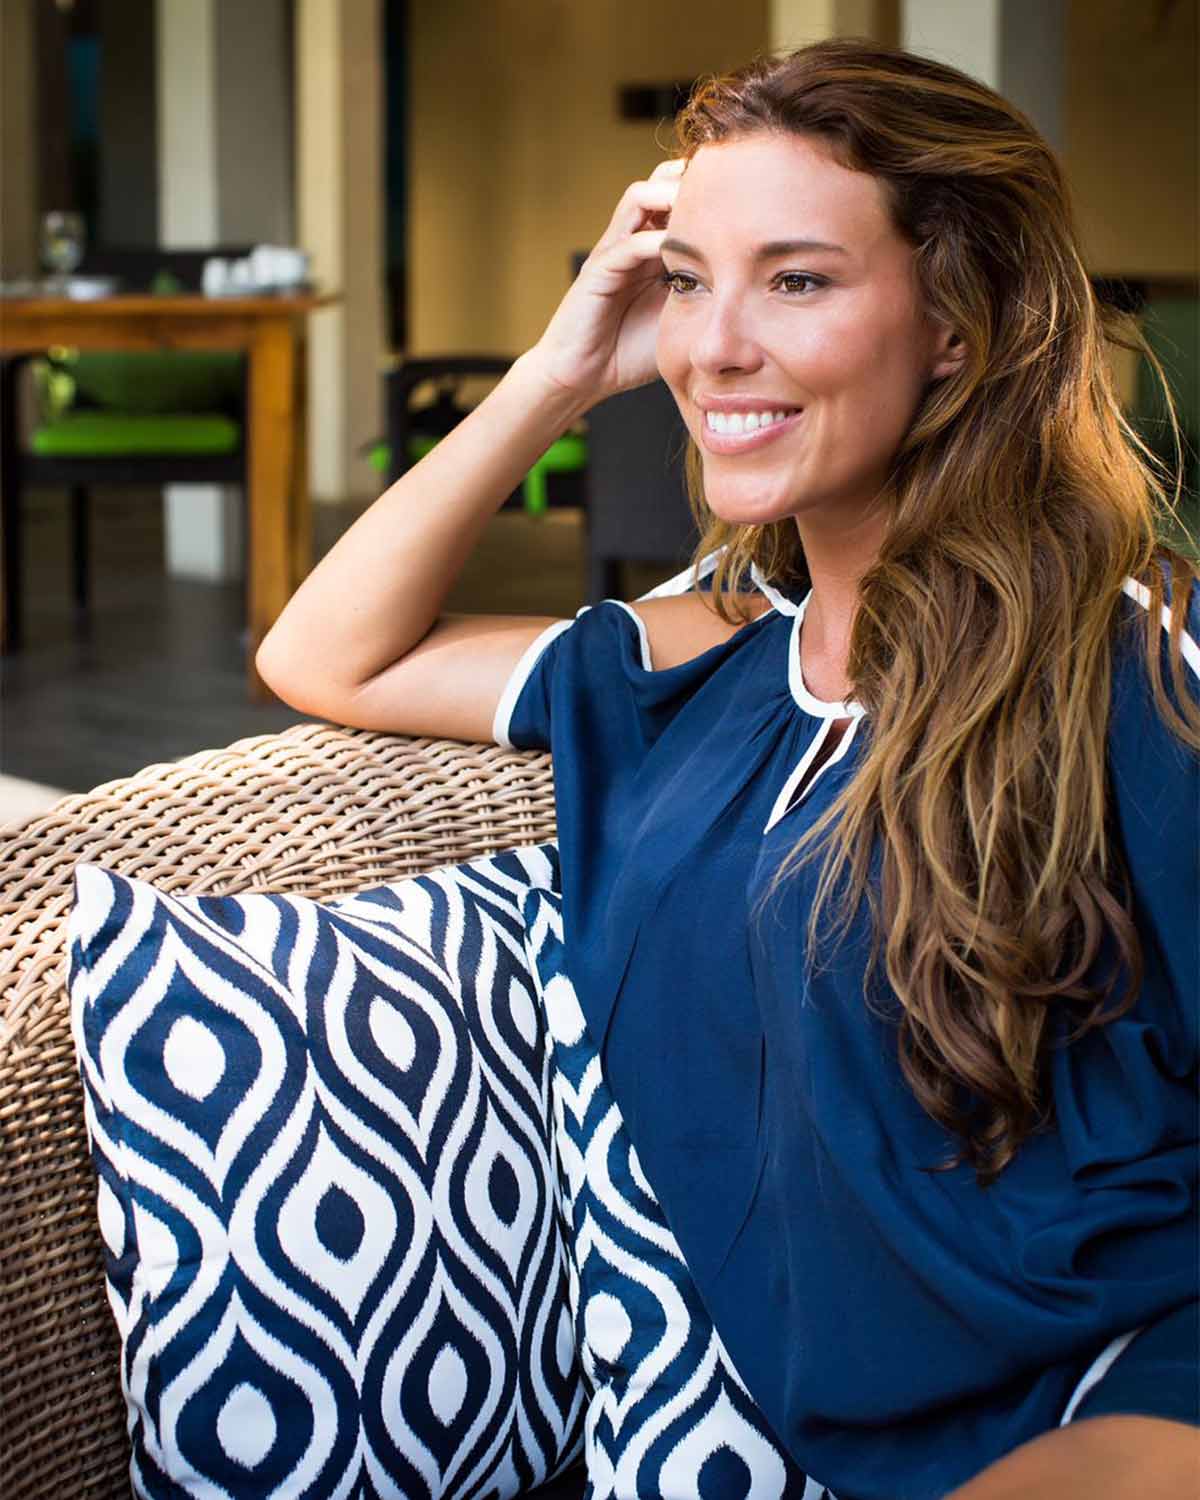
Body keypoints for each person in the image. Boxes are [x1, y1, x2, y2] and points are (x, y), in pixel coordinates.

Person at [256, 38, 1199, 1500]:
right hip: (855, 1448)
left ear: (956, 323)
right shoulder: (690, 668)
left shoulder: (1129, 667)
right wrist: (562, 368)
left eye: (800, 280)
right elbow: (327, 654)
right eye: (688, 280)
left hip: (1123, 1399)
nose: (713, 347)